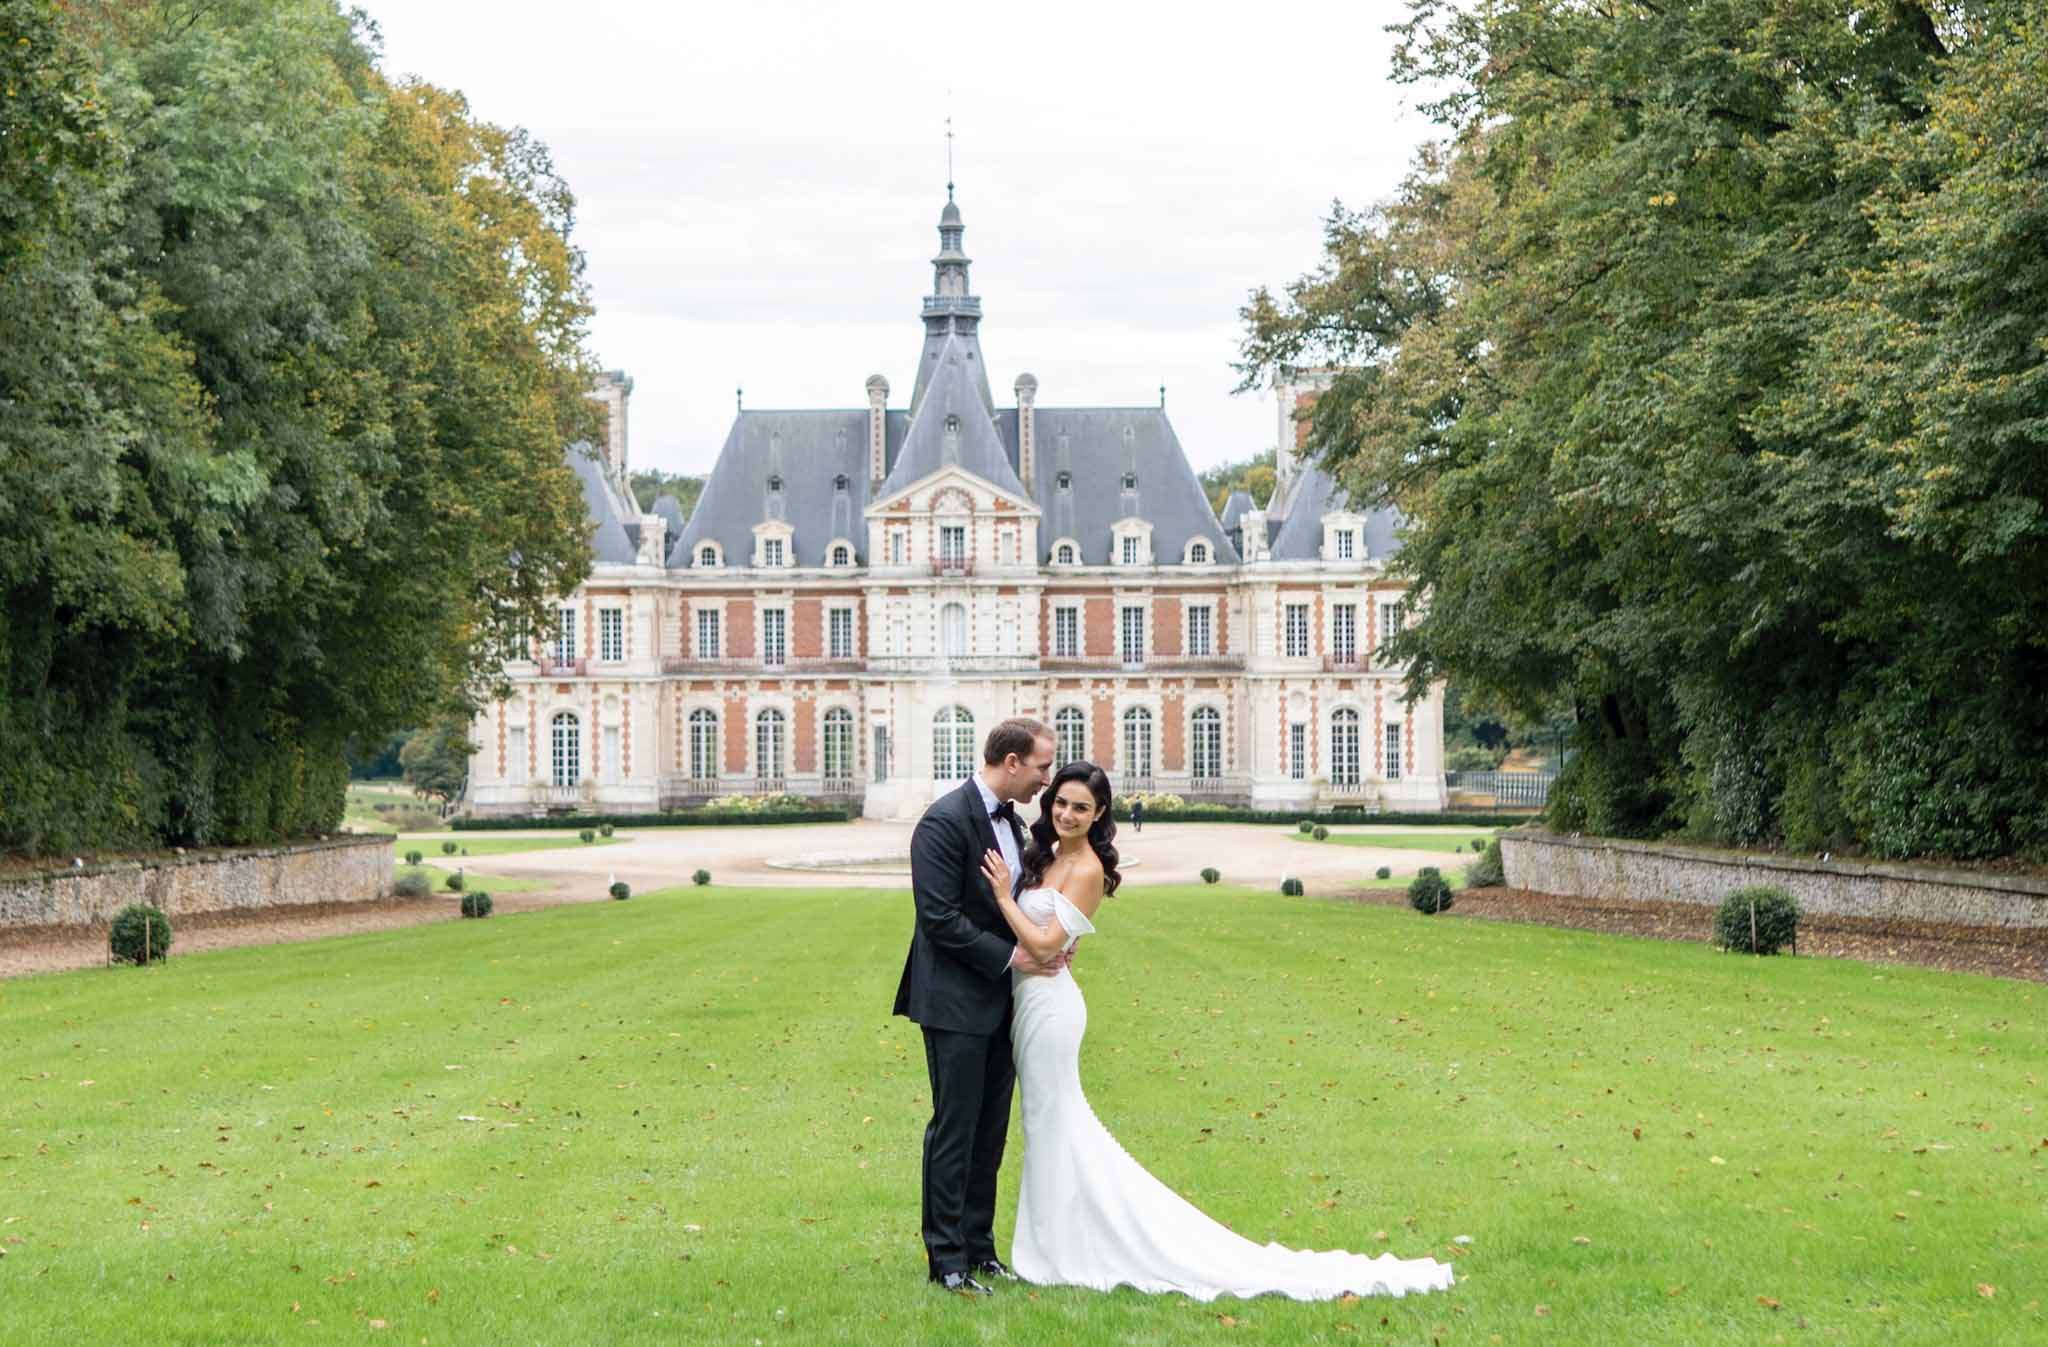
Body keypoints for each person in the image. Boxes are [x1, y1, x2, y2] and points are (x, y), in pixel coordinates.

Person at [976, 762, 1454, 1302]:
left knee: (1054, 1120)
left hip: (1051, 1011)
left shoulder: (1085, 868)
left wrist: (1001, 898)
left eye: (1080, 807)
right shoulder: (1051, 854)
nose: (1066, 813)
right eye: (1061, 802)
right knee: (1047, 1123)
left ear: (1100, 814)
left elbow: (1042, 947)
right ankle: (1058, 1241)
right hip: (1031, 1004)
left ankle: (1064, 1249)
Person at [893, 717, 1063, 1297]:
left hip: (1002, 1003)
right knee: (955, 1129)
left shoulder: (1014, 823)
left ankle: (980, 1249)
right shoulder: (943, 821)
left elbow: (1017, 903)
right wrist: (1016, 957)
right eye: (1042, 766)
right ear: (1011, 762)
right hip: (954, 1003)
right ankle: (946, 1260)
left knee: (990, 1132)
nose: (1047, 778)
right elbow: (939, 919)